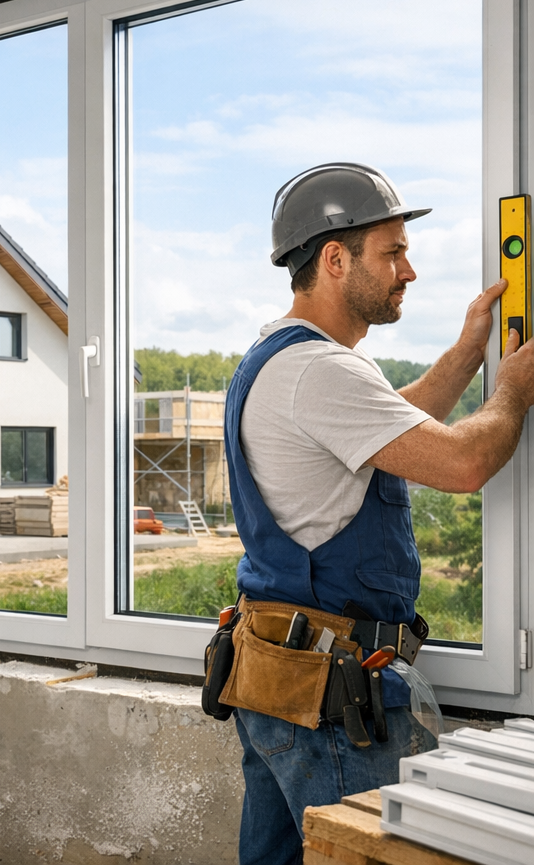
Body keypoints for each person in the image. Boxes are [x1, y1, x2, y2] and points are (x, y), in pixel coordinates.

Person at [225, 163, 534, 865]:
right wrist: (511, 392)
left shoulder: (278, 359)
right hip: (333, 701)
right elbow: (460, 463)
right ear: (336, 259)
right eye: (392, 252)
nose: (409, 271)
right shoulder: (319, 370)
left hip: (283, 678)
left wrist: (467, 353)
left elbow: (397, 431)